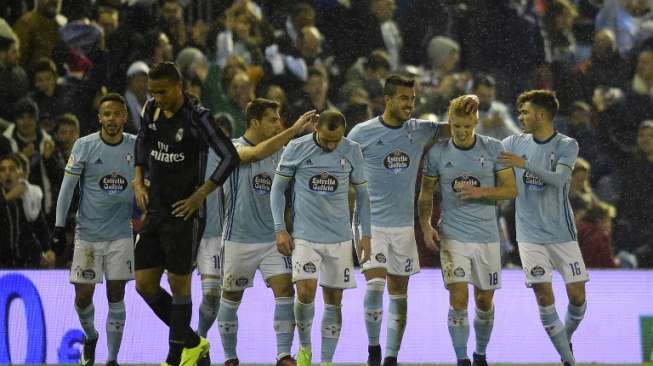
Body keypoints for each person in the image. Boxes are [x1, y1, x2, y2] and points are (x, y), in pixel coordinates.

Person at [346, 74, 477, 366]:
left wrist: (471, 103)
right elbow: (341, 169)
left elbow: (455, 128)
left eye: (413, 99)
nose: (410, 104)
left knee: (399, 296)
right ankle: (373, 350)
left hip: (403, 227)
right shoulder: (361, 133)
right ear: (387, 99)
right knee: (376, 286)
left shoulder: (419, 131)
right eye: (404, 98)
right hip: (371, 224)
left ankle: (391, 357)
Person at [132, 62, 239, 366]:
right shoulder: (150, 109)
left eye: (162, 92)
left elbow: (229, 155)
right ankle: (193, 343)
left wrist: (200, 194)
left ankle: (175, 356)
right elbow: (142, 141)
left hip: (184, 213)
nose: (157, 97)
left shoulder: (197, 116)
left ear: (178, 86)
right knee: (144, 285)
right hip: (155, 211)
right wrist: (138, 179)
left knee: (179, 286)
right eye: (153, 92)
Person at [418, 95, 517, 366]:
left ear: (476, 122)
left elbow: (511, 189)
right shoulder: (437, 153)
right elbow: (426, 194)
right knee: (459, 299)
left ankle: (480, 354)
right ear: (450, 123)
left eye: (466, 126)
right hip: (453, 235)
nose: (461, 132)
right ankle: (461, 359)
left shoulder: (494, 148)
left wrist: (481, 191)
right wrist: (426, 227)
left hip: (487, 237)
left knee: (484, 302)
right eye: (456, 126)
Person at [216, 99, 315, 366]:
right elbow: (255, 154)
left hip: (272, 239)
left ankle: (284, 355)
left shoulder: (281, 154)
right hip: (238, 238)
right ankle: (229, 357)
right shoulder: (233, 147)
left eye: (280, 118)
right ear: (255, 122)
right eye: (273, 119)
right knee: (231, 296)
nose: (278, 123)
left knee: (285, 291)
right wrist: (294, 131)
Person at [270, 110, 372, 366]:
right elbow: (277, 189)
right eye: (326, 139)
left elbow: (363, 196)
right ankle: (305, 349)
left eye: (336, 140)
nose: (331, 145)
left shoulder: (353, 150)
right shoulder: (296, 148)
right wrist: (280, 228)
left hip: (339, 238)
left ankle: (326, 361)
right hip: (305, 236)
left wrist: (366, 234)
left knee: (334, 300)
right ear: (316, 127)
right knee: (305, 291)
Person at [499, 90, 588, 365]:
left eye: (525, 112)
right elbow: (485, 149)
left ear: (540, 114)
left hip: (562, 233)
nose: (521, 117)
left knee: (577, 297)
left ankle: (565, 336)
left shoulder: (566, 145)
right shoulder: (513, 142)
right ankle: (568, 360)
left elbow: (561, 180)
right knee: (543, 293)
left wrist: (524, 165)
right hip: (529, 236)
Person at [51, 93, 135, 366]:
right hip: (88, 235)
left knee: (116, 294)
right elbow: (66, 190)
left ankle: (111, 359)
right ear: (100, 118)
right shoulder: (84, 145)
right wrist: (58, 227)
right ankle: (91, 335)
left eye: (117, 114)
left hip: (122, 234)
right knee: (83, 295)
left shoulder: (136, 146)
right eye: (106, 114)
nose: (112, 119)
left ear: (125, 117)